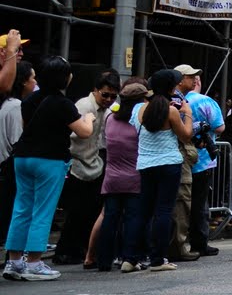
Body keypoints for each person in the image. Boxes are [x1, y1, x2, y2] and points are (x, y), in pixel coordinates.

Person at [3, 56, 93, 281]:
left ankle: (14, 261)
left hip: (22, 157)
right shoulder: (62, 103)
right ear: (64, 78)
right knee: (43, 210)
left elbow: (26, 126)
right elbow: (84, 132)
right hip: (50, 160)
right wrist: (89, 118)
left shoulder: (29, 100)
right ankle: (34, 263)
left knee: (22, 207)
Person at [125, 69, 193, 273]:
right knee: (163, 211)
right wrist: (187, 115)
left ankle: (130, 258)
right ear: (171, 88)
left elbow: (134, 127)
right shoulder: (171, 111)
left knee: (142, 212)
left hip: (145, 164)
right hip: (169, 163)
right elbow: (186, 136)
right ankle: (158, 259)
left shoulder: (139, 109)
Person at [55, 70, 118, 267]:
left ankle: (79, 249)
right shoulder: (84, 105)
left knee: (89, 212)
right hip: (77, 165)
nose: (108, 99)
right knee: (76, 213)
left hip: (93, 164)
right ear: (95, 90)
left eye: (113, 96)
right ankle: (65, 252)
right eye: (105, 94)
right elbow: (74, 135)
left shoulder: (106, 110)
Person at [176, 65, 224, 259]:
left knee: (180, 203)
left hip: (179, 158)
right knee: (199, 203)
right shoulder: (205, 101)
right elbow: (219, 127)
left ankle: (181, 241)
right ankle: (199, 242)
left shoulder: (173, 101)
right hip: (202, 159)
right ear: (196, 81)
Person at [98, 80, 146, 273]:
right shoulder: (139, 123)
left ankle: (104, 260)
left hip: (111, 177)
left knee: (110, 218)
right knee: (133, 218)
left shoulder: (110, 118)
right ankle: (129, 258)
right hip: (134, 176)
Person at [0, 59, 35, 244]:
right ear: (23, 81)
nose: (35, 83)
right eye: (33, 78)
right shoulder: (15, 106)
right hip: (9, 167)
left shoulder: (11, 103)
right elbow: (17, 141)